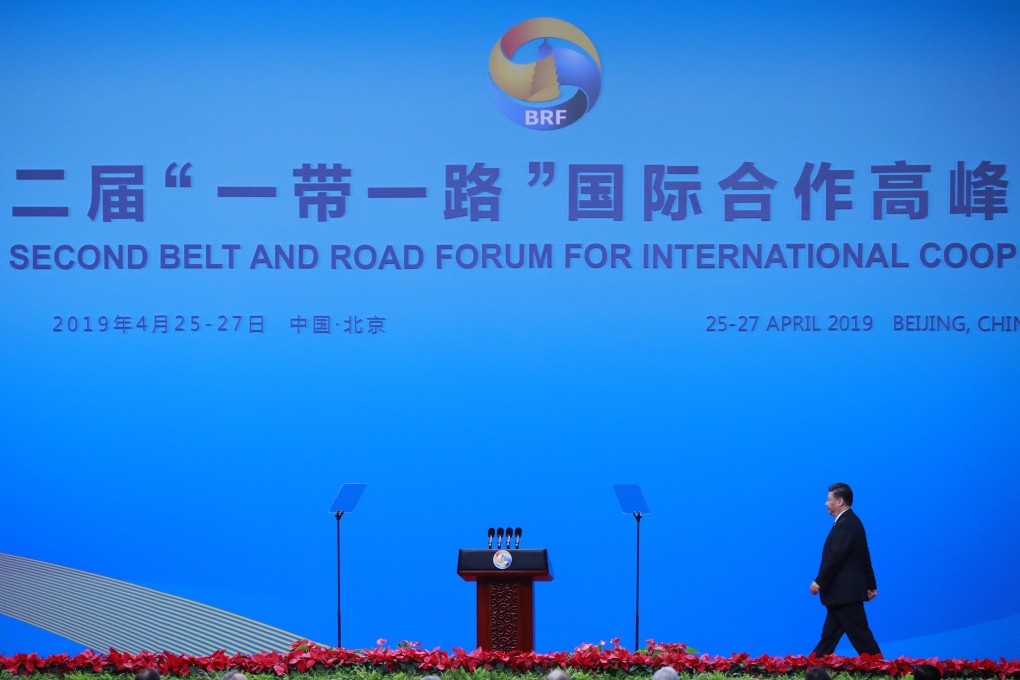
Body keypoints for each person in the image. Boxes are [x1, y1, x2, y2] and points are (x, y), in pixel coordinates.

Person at [810, 482, 881, 656]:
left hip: (845, 595)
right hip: (841, 596)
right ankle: (809, 671)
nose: (826, 503)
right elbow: (863, 556)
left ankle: (884, 671)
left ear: (840, 501)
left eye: (828, 499)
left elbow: (836, 556)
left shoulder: (847, 524)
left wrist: (819, 580)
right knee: (828, 639)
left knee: (862, 639)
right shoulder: (850, 522)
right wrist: (870, 584)